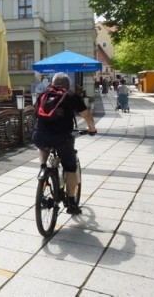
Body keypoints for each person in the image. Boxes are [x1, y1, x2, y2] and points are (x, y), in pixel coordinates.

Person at [32, 72, 97, 215]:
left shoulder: (43, 95)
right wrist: (92, 129)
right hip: (62, 138)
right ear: (68, 85)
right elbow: (86, 115)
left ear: (53, 83)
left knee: (43, 146)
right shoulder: (71, 96)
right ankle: (72, 203)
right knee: (70, 167)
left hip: (39, 135)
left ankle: (43, 168)